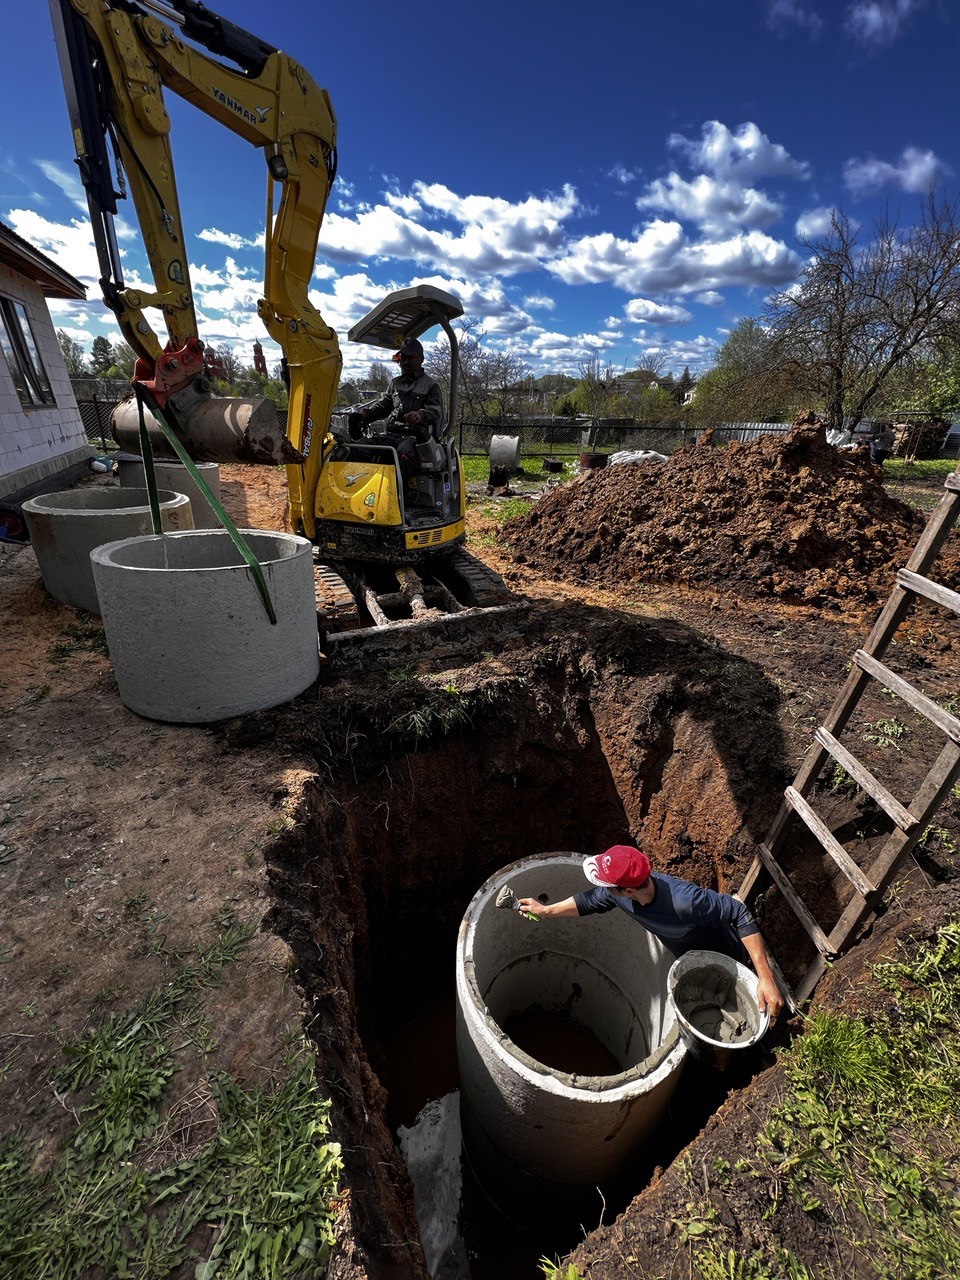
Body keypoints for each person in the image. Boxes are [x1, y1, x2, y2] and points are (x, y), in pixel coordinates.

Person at [518, 845, 784, 1021]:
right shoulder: (620, 895)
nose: (604, 889)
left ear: (627, 889)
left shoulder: (685, 901)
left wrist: (764, 977)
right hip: (690, 962)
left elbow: (739, 913)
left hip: (729, 959)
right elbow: (588, 901)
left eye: (607, 885)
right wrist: (547, 911)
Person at [350, 336, 444, 444]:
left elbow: (435, 412)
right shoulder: (395, 383)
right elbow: (383, 406)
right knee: (361, 447)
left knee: (404, 453)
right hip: (392, 435)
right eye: (404, 358)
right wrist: (366, 414)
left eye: (410, 357)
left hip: (416, 439)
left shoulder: (430, 386)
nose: (406, 362)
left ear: (421, 358)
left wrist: (420, 415)